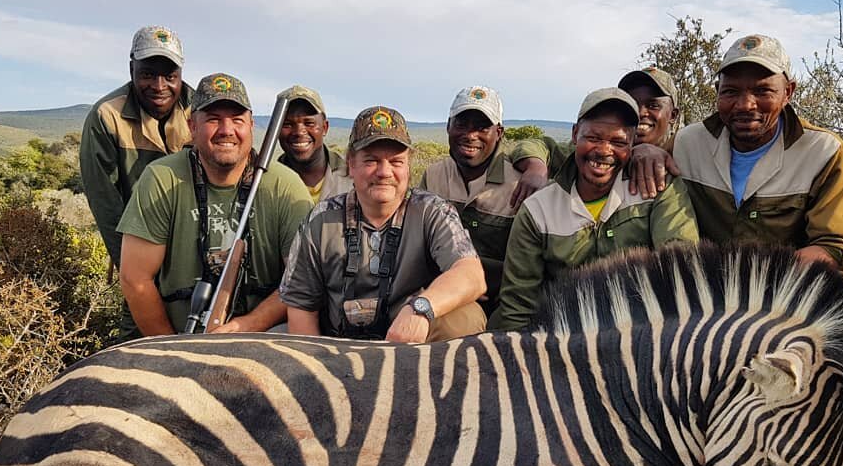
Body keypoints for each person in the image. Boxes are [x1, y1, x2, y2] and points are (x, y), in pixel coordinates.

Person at [118, 73, 312, 335]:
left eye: (237, 120)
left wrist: (246, 325)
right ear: (192, 126)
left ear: (251, 125)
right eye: (213, 119)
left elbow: (301, 281)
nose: (226, 130)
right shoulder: (160, 179)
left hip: (262, 339)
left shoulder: (285, 185)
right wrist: (171, 353)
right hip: (178, 337)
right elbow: (135, 279)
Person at [490, 88, 699, 331]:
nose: (604, 150)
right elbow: (519, 307)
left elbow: (680, 268)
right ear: (575, 134)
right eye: (594, 138)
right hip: (564, 336)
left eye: (618, 142)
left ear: (633, 145)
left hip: (644, 334)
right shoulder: (538, 210)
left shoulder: (659, 186)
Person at [281, 106, 486, 342]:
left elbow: (471, 274)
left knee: (465, 317)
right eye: (371, 160)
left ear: (408, 164)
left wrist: (420, 309)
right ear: (351, 163)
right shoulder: (320, 219)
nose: (384, 172)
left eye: (396, 161)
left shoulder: (432, 211)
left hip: (408, 343)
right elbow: (301, 308)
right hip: (337, 349)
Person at [674, 34, 843, 272]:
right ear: (717, 91)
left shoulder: (822, 152)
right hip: (709, 291)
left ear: (788, 92)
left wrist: (763, 277)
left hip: (787, 288)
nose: (745, 105)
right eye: (731, 92)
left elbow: (839, 246)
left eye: (763, 91)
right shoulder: (686, 144)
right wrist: (648, 152)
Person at [80, 25, 193, 339]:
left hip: (196, 255)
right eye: (147, 74)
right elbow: (106, 205)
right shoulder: (106, 117)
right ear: (131, 69)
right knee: (139, 343)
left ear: (181, 73)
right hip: (139, 253)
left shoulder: (199, 109)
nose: (159, 85)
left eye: (169, 75)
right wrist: (135, 275)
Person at [419, 86, 551, 313]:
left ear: (499, 132)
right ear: (448, 126)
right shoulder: (433, 176)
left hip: (503, 302)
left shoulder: (521, 183)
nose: (471, 135)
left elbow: (532, 269)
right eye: (462, 124)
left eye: (482, 127)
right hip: (442, 293)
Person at [276, 84, 352, 202]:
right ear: (275, 130)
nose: (299, 132)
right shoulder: (267, 181)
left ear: (325, 127)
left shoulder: (352, 174)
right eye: (287, 124)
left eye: (309, 123)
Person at [617, 67, 680, 151]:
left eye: (653, 106)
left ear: (673, 116)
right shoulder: (608, 158)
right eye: (633, 104)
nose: (640, 113)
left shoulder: (687, 159)